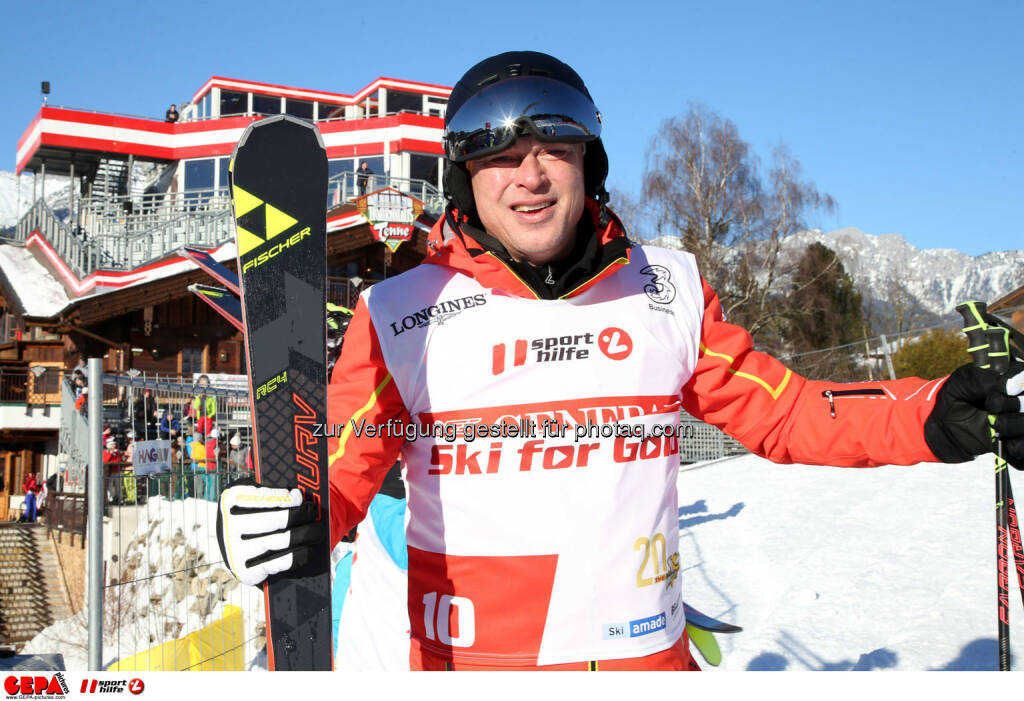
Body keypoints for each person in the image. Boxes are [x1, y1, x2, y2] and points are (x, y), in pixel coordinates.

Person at [217, 52, 1024, 671]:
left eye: (552, 147)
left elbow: (789, 411)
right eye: (500, 155)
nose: (529, 174)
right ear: (465, 177)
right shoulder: (400, 317)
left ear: (587, 162)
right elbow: (332, 480)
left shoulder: (665, 291)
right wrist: (271, 519)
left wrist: (931, 413)